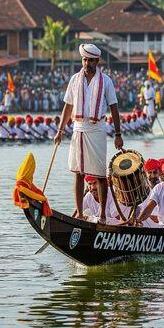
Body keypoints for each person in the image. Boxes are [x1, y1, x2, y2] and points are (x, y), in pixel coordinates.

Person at [55, 44, 124, 224]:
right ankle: (79, 212)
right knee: (78, 173)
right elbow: (68, 106)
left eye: (91, 60)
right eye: (85, 60)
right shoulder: (74, 80)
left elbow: (114, 108)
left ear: (97, 61)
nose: (87, 63)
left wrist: (118, 134)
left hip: (97, 129)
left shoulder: (106, 81)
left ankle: (102, 215)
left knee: (100, 175)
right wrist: (60, 130)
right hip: (78, 129)